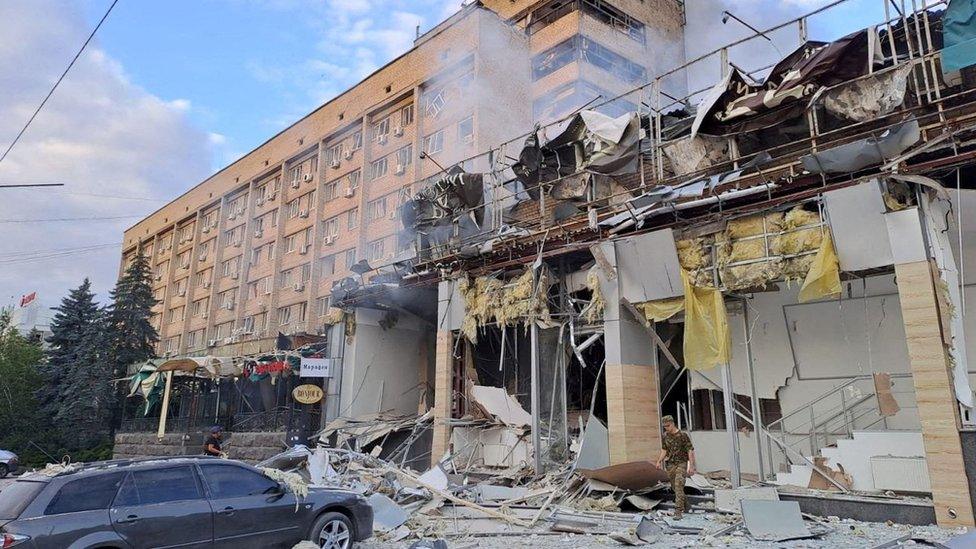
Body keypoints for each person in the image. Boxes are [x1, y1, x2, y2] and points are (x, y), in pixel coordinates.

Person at [654, 415, 696, 520]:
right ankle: (687, 505)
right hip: (671, 464)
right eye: (664, 427)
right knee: (675, 487)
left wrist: (691, 466)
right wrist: (659, 461)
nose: (666, 428)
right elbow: (664, 450)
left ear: (673, 423)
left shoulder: (683, 435)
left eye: (668, 426)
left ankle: (678, 511)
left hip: (681, 463)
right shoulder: (665, 436)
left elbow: (690, 450)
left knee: (678, 484)